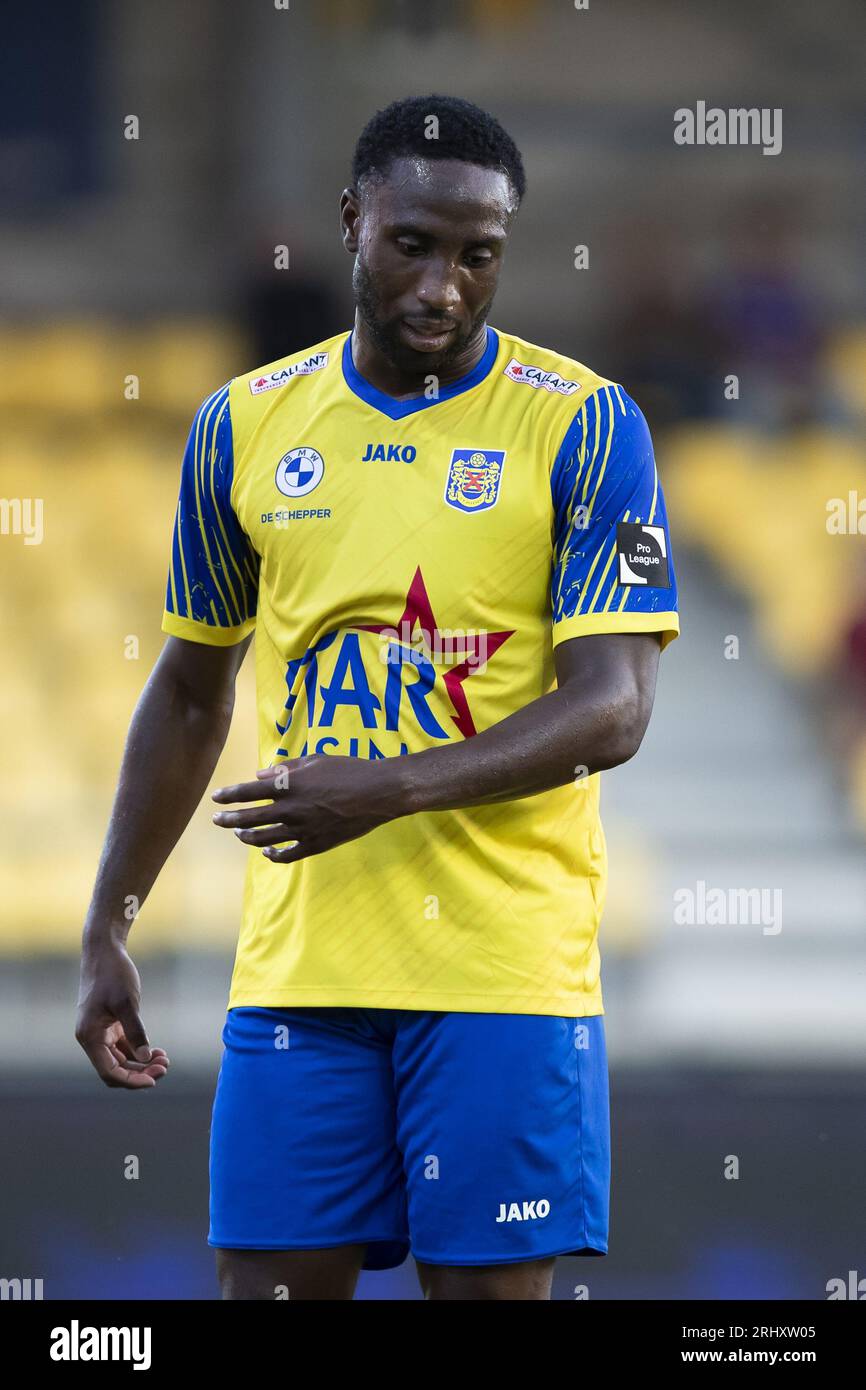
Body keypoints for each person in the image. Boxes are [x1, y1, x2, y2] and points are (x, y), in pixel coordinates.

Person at [76, 94, 680, 1301]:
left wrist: (387, 791)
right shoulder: (241, 427)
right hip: (302, 975)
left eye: (478, 256)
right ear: (352, 223)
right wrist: (111, 923)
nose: (443, 287)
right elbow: (192, 691)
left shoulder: (586, 424)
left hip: (502, 981)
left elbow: (613, 707)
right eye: (412, 244)